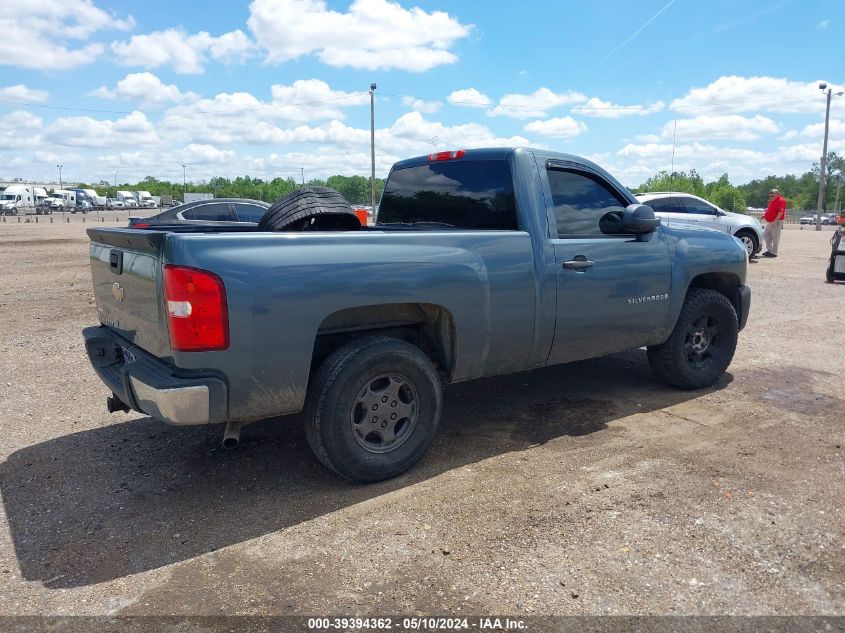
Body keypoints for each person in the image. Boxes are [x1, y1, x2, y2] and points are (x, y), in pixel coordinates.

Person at [761, 188, 786, 257]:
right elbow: (770, 209)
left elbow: (781, 212)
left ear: (777, 194)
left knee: (775, 237)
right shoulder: (772, 201)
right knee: (766, 235)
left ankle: (774, 252)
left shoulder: (781, 200)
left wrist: (775, 221)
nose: (771, 197)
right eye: (770, 196)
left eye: (773, 196)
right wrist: (765, 215)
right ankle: (769, 250)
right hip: (770, 221)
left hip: (776, 221)